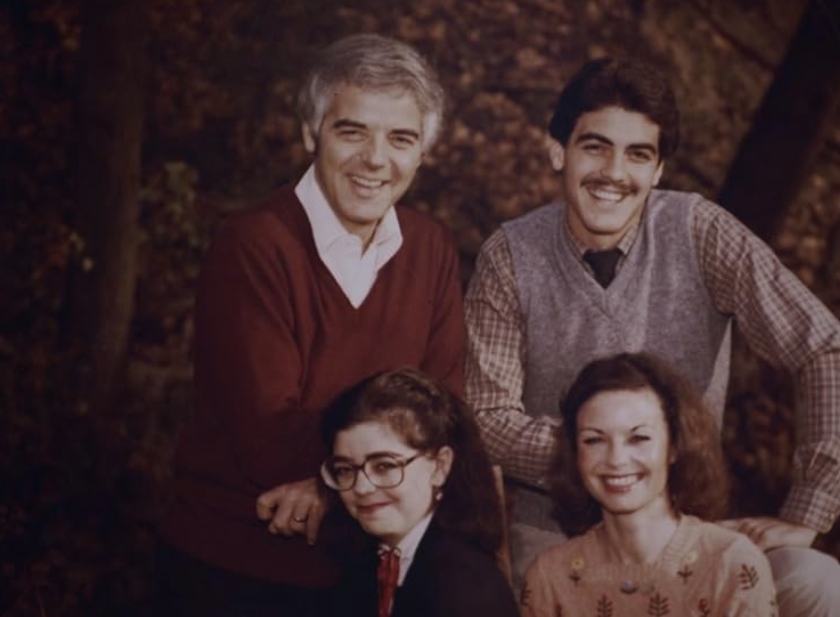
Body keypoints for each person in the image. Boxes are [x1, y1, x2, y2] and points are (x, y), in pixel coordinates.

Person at [464, 56, 840, 616]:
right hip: (557, 533)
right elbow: (486, 417)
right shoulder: (511, 256)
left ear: (658, 170)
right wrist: (610, 455)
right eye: (595, 147)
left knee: (814, 582)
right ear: (558, 150)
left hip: (690, 533)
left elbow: (830, 354)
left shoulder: (700, 232)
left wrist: (809, 510)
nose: (614, 171)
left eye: (638, 154)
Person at [156, 34, 465, 615]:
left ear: (423, 153)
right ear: (310, 134)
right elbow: (268, 432)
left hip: (371, 569)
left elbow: (445, 411)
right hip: (235, 569)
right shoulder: (253, 244)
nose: (376, 159)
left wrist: (330, 484)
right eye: (352, 132)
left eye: (400, 139)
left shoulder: (431, 248)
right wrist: (381, 476)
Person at [522, 352, 776, 617]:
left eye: (639, 438)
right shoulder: (549, 578)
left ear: (675, 446)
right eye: (594, 440)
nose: (616, 460)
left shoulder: (731, 565)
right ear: (575, 453)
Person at [319, 368, 520, 617]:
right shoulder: (370, 559)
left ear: (440, 466)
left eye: (384, 466)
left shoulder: (465, 590)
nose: (361, 487)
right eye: (344, 470)